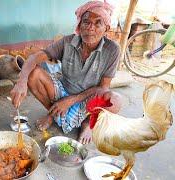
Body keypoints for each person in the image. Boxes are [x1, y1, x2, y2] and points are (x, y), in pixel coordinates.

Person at [10, 1, 122, 144]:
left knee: (115, 101)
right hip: (62, 91)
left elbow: (103, 88)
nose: (90, 28)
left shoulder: (112, 50)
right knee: (34, 74)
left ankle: (87, 124)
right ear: (79, 25)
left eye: (98, 23)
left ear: (106, 29)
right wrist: (21, 82)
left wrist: (71, 100)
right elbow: (35, 57)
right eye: (86, 22)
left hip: (87, 98)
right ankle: (53, 114)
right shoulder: (68, 42)